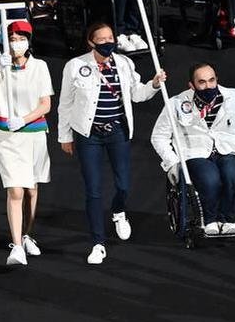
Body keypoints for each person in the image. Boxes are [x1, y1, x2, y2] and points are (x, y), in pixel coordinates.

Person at [56, 21, 166, 265]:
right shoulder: (75, 66)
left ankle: (118, 211)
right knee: (93, 190)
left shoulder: (125, 64)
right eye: (102, 39)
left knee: (124, 184)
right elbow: (65, 104)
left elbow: (137, 94)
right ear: (91, 42)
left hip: (117, 132)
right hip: (88, 135)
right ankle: (97, 242)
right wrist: (64, 136)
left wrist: (155, 85)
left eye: (110, 38)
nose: (108, 43)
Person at [150, 62, 235, 236]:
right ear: (191, 85)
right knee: (210, 180)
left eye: (211, 80)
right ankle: (210, 220)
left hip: (228, 149)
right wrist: (171, 162)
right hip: (196, 153)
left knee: (231, 176)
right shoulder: (176, 104)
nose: (208, 85)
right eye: (201, 82)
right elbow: (159, 136)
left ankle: (228, 219)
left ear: (217, 79)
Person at [0, 19, 53, 265]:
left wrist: (23, 119)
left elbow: (46, 104)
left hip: (33, 133)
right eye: (12, 38)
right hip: (6, 135)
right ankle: (17, 247)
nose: (17, 43)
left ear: (29, 41)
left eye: (21, 38)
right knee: (15, 189)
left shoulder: (40, 67)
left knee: (31, 190)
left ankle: (27, 235)